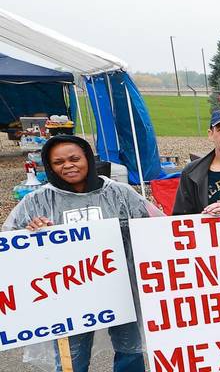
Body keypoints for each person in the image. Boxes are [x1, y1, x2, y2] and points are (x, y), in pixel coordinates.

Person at [3, 135, 161, 372]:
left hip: (121, 288)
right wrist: (31, 231)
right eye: (58, 162)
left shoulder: (120, 192)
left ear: (87, 158)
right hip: (69, 292)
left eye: (74, 158)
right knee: (72, 360)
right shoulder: (37, 200)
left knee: (130, 351)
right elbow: (12, 245)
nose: (68, 166)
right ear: (50, 166)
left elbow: (152, 228)